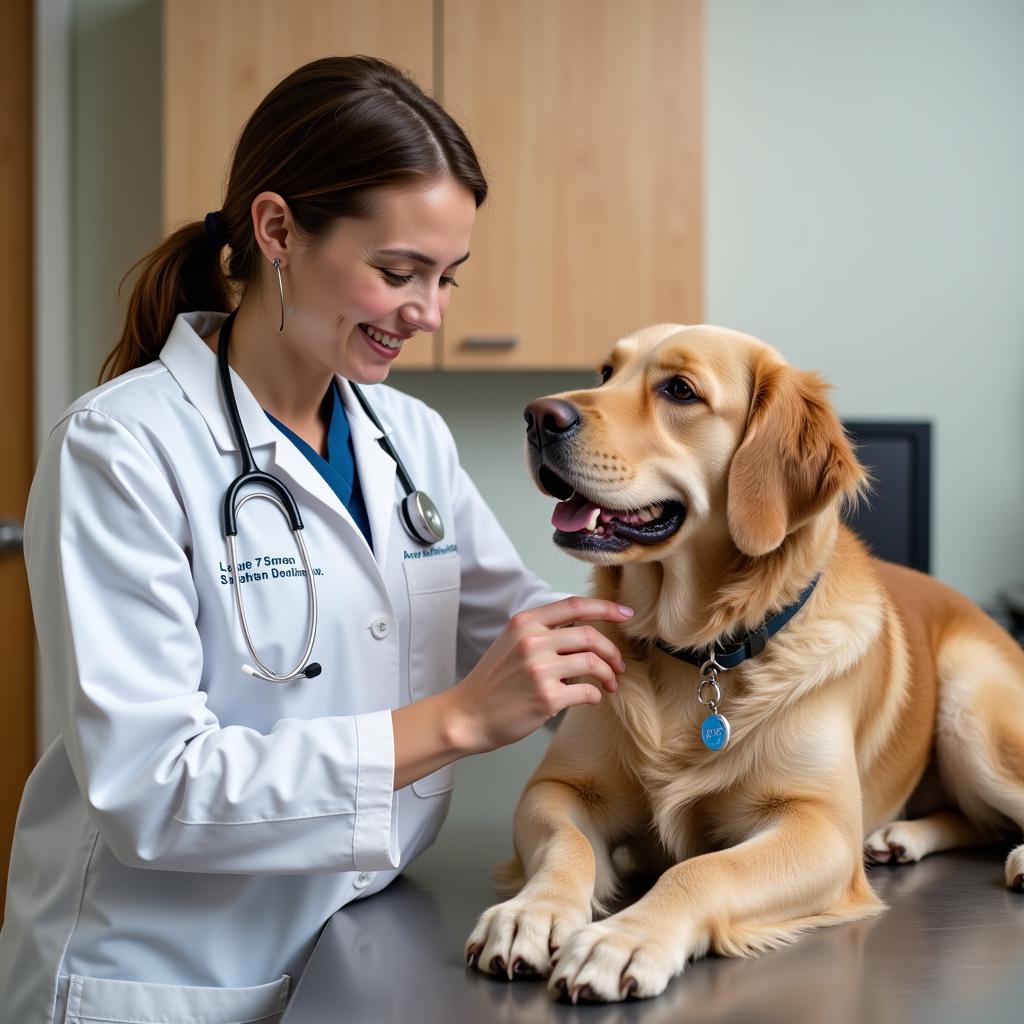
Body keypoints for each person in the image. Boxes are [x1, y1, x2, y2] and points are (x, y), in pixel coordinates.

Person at [0, 56, 632, 1024]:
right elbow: (151, 788)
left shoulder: (405, 435)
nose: (428, 312)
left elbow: (521, 620)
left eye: (446, 277)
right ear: (278, 230)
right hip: (170, 972)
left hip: (360, 942)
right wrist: (459, 719)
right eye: (397, 272)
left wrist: (727, 651)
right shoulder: (122, 446)